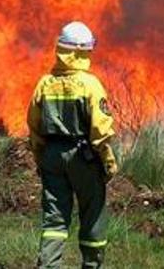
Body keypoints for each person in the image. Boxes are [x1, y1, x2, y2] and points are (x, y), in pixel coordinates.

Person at [27, 21, 118, 269]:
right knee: (92, 214)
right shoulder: (90, 84)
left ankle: (48, 265)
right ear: (82, 51)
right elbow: (100, 131)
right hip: (83, 157)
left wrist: (41, 159)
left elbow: (34, 128)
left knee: (54, 221)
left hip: (52, 156)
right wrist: (108, 161)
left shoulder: (44, 84)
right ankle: (91, 265)